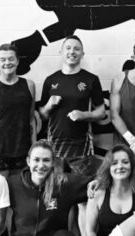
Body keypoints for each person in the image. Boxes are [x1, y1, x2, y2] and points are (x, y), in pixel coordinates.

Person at [38, 35, 106, 174]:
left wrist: (84, 115)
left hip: (82, 147)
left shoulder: (91, 79)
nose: (72, 52)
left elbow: (101, 112)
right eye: (68, 48)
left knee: (80, 188)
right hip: (55, 147)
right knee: (55, 188)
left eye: (77, 49)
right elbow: (43, 116)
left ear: (82, 54)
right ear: (61, 52)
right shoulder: (51, 80)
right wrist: (49, 106)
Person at [0, 44, 39, 176]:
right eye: (3, 59)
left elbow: (31, 119)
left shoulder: (29, 85)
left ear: (17, 61)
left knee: (21, 194)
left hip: (23, 152)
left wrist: (34, 148)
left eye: (11, 59)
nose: (7, 63)